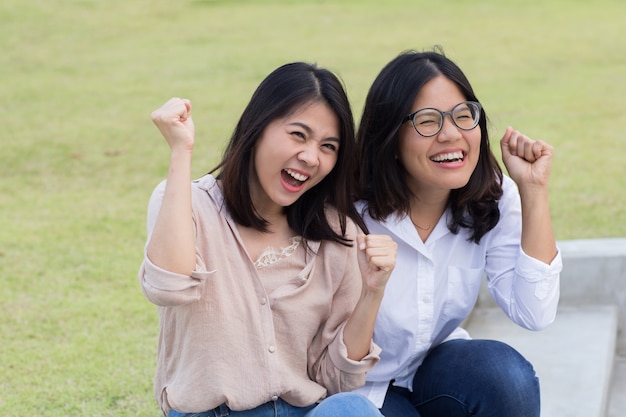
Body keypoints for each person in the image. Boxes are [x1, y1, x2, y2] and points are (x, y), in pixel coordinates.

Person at [138, 62, 397, 417]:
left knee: (352, 408)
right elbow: (170, 288)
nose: (310, 157)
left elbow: (336, 378)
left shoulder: (338, 235)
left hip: (303, 410)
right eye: (298, 134)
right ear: (258, 128)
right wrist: (181, 150)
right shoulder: (186, 204)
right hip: (209, 413)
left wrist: (373, 291)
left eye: (328, 146)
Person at [353, 49, 562, 417]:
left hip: (432, 371)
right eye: (428, 121)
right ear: (391, 138)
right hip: (356, 388)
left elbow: (535, 313)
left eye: (464, 116)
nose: (451, 135)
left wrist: (533, 189)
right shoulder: (349, 213)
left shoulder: (492, 198)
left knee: (504, 377)